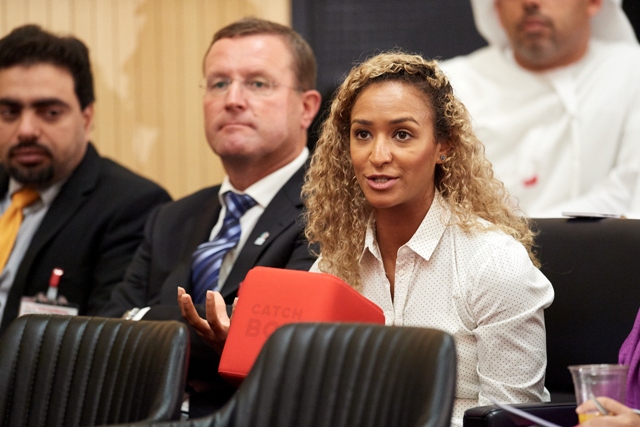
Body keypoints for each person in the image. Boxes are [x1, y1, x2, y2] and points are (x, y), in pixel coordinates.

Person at [180, 51, 554, 427]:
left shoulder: (494, 263)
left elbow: (513, 420)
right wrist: (250, 357)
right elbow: (310, 402)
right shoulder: (333, 266)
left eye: (402, 135)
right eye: (362, 134)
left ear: (444, 146)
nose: (378, 155)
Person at [99, 18, 322, 416]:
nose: (232, 99)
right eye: (219, 83)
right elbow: (106, 331)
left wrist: (143, 320)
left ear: (306, 108)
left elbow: (273, 346)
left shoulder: (329, 212)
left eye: (257, 83)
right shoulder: (171, 218)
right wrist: (212, 342)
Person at [0, 25, 171, 334]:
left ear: (86, 117)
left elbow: (103, 339)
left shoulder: (132, 206)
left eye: (50, 113)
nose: (26, 130)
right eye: (9, 112)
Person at [440, 0, 640, 217]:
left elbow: (628, 193)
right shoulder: (447, 86)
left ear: (593, 2)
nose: (530, 3)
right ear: (496, 8)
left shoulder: (630, 72)